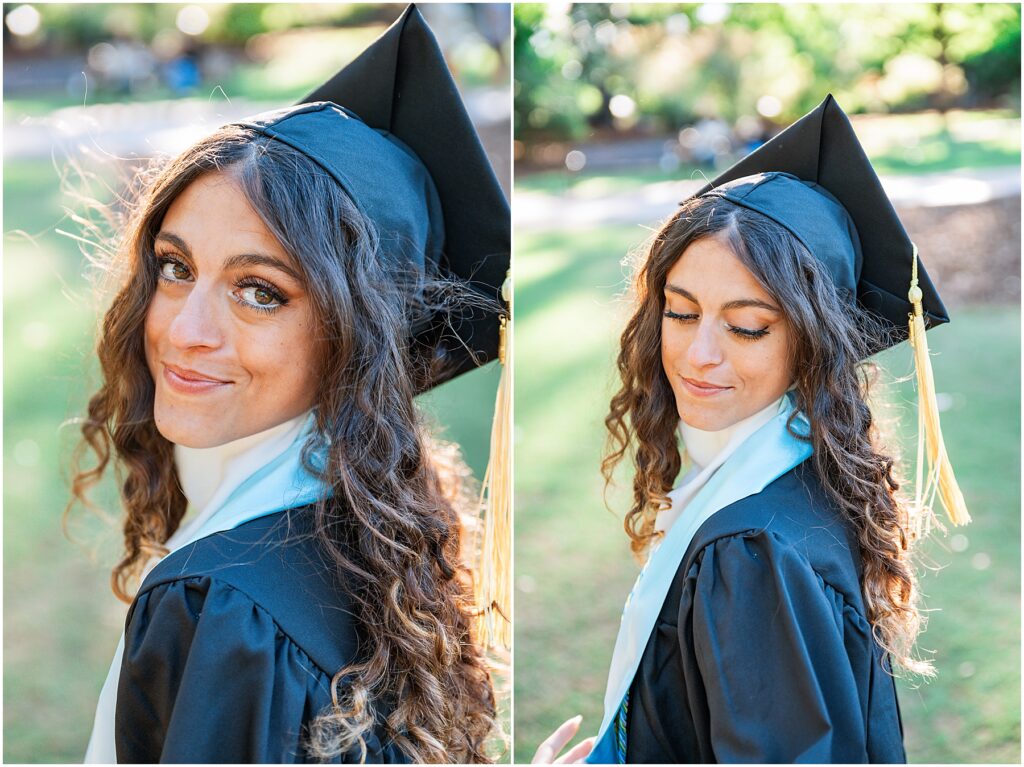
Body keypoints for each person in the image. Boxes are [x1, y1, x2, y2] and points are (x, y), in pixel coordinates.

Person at [70, 6, 509, 763]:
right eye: (176, 268)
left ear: (357, 336)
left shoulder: (225, 604)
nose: (182, 329)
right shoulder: (370, 525)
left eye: (259, 291)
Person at [539, 95, 970, 764]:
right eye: (680, 314)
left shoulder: (748, 550)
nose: (697, 355)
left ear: (812, 343)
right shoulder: (798, 477)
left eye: (745, 326)